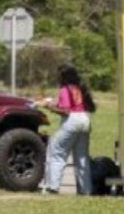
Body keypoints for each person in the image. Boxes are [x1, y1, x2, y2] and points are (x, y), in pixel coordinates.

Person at [38, 64, 95, 195]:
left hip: (72, 121)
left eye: (58, 75)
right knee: (81, 158)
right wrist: (54, 103)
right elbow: (83, 106)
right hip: (85, 119)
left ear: (63, 76)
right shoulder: (79, 88)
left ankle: (53, 187)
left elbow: (66, 111)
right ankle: (85, 190)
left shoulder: (64, 89)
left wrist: (49, 107)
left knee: (57, 151)